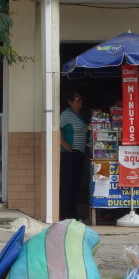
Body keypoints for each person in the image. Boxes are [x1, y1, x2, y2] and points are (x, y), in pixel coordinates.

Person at [58, 90, 88, 221]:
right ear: (70, 102)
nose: (79, 102)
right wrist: (63, 143)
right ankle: (66, 213)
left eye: (80, 99)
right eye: (76, 99)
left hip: (79, 154)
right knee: (68, 183)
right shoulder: (66, 114)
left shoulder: (78, 116)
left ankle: (73, 211)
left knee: (76, 184)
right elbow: (55, 127)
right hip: (69, 154)